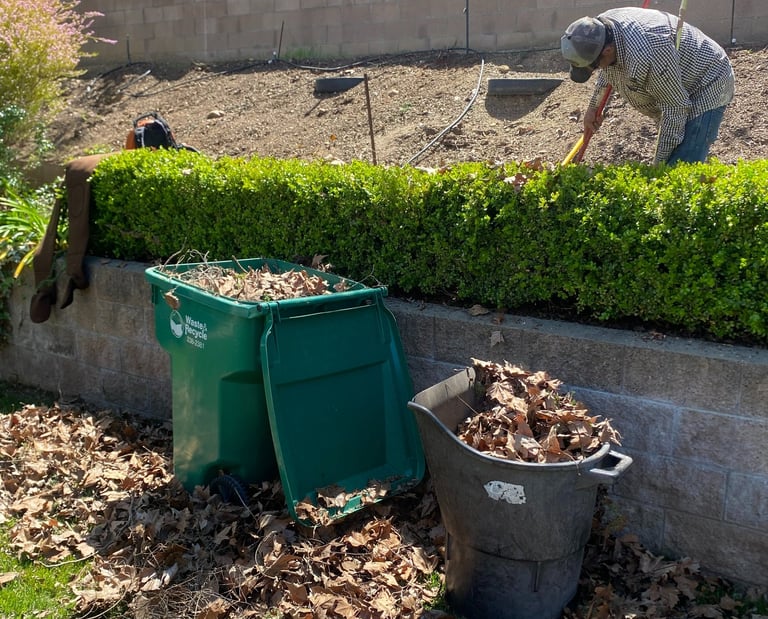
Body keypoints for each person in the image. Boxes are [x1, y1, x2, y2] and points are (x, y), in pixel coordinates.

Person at [560, 7, 735, 165]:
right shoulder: (600, 28)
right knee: (675, 157)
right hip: (674, 86)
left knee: (680, 168)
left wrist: (657, 166)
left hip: (707, 82)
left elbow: (675, 107)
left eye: (595, 66)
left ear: (607, 51)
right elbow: (607, 71)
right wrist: (593, 107)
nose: (597, 71)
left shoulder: (647, 53)